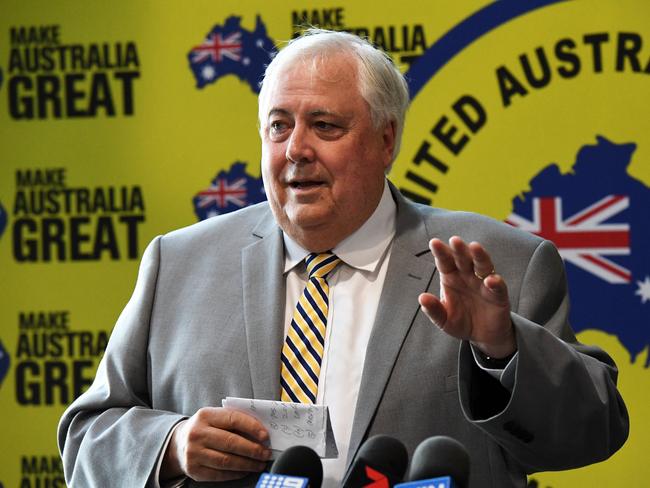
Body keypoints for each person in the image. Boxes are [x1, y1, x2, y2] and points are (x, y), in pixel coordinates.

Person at [58, 29, 629, 488]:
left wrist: (501, 350)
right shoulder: (178, 265)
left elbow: (594, 432)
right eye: (278, 126)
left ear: (386, 140)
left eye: (325, 126)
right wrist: (173, 446)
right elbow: (88, 435)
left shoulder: (498, 262)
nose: (296, 150)